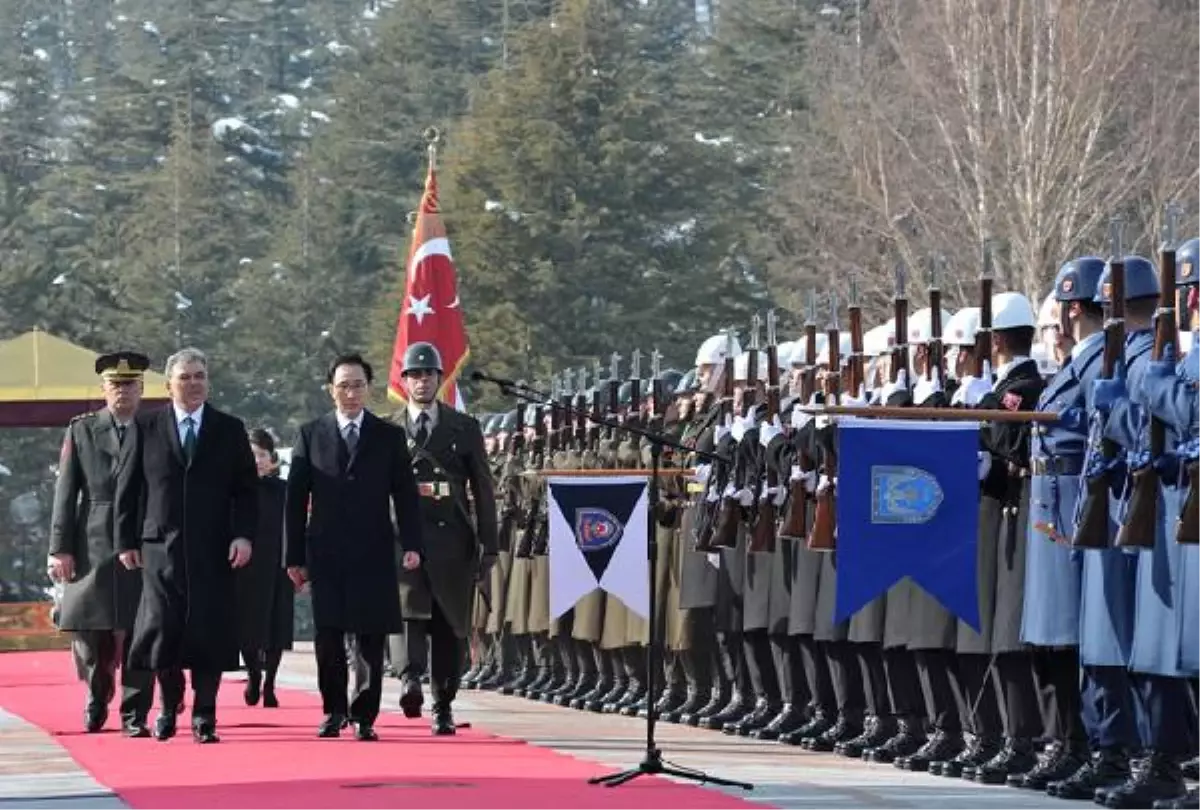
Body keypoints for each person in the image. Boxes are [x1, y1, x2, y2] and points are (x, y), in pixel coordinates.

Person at [115, 347, 259, 744]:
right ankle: (167, 705)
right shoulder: (145, 428)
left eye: (199, 376)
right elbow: (127, 491)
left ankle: (205, 714)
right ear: (168, 385)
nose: (193, 383)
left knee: (209, 631)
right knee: (163, 629)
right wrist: (125, 540)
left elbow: (247, 491)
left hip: (214, 550)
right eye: (185, 377)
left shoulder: (229, 429)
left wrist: (243, 535)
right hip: (160, 548)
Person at [285, 352, 425, 741]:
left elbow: (406, 496)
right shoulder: (310, 434)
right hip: (325, 551)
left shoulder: (389, 436)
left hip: (373, 549)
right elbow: (295, 501)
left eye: (358, 384)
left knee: (370, 635)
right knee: (328, 636)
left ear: (369, 388)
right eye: (343, 385)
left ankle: (365, 715)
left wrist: (412, 543)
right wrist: (293, 556)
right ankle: (333, 711)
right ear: (331, 390)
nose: (351, 392)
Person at [391, 341, 498, 735]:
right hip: (403, 538)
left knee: (449, 625)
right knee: (407, 616)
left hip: (453, 540)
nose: (422, 381)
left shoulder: (463, 427)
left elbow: (483, 488)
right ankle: (410, 679)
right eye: (414, 374)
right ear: (403, 382)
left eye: (429, 374)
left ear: (440, 378)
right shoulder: (388, 429)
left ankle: (443, 703)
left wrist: (489, 544)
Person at [48, 351, 155, 737]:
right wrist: (60, 547)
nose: (122, 391)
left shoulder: (154, 430)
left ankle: (134, 713)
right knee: (90, 633)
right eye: (115, 384)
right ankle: (97, 694)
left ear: (141, 388)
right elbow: (66, 491)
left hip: (142, 540)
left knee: (141, 629)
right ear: (103, 388)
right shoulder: (81, 429)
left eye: (129, 384)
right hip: (91, 538)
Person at [236, 428, 294, 708]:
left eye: (262, 455)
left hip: (279, 566)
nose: (257, 460)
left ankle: (270, 681)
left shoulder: (285, 490)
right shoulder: (234, 492)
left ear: (272, 460)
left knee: (277, 628)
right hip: (245, 569)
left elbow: (295, 529)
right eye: (251, 455)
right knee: (248, 626)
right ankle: (253, 674)